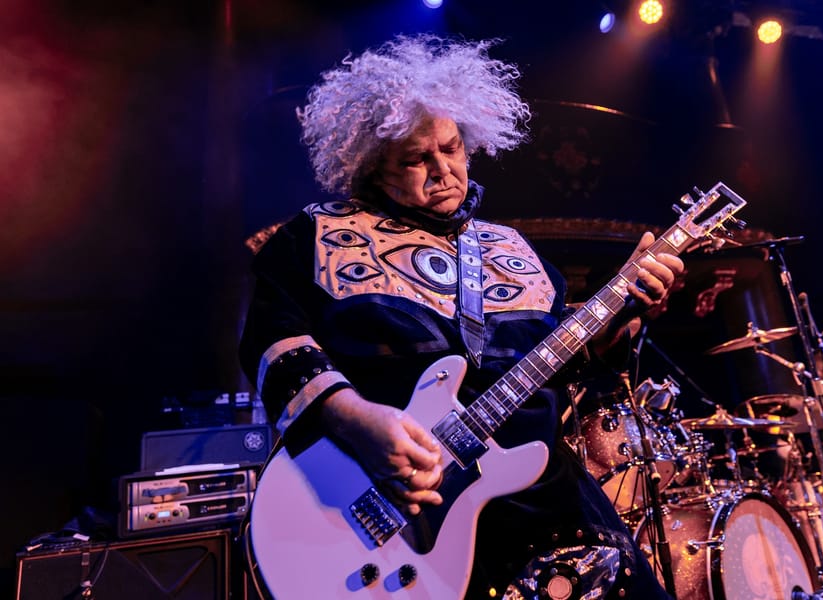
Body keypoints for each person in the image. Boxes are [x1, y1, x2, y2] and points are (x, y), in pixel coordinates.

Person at [239, 35, 682, 599]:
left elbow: (568, 365)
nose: (443, 170)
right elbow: (273, 341)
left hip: (545, 507)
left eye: (451, 148)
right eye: (416, 159)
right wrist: (356, 420)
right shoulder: (316, 236)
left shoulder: (517, 251)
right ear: (374, 166)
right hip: (389, 505)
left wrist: (627, 317)